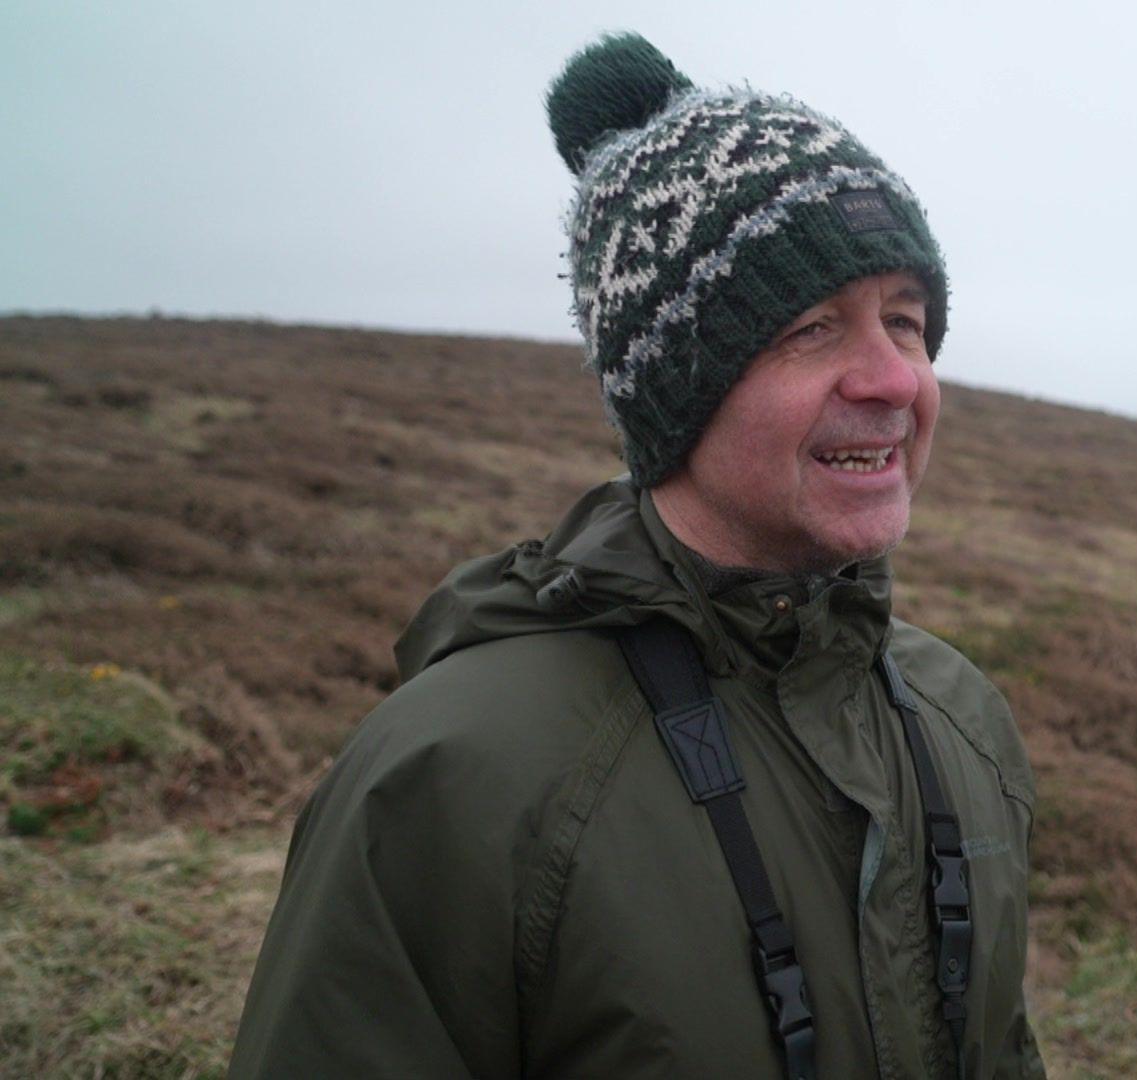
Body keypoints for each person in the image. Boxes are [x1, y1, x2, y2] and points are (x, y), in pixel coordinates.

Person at [229, 32, 1044, 1079]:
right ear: (677, 388)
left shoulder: (959, 718)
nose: (896, 379)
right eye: (811, 328)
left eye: (907, 320)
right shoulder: (454, 779)